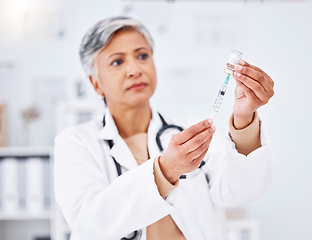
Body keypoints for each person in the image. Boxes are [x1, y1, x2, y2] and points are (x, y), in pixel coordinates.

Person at [54, 16, 275, 240]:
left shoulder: (188, 130)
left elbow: (242, 190)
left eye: (142, 56)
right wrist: (165, 170)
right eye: (117, 62)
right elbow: (88, 224)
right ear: (95, 83)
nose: (134, 69)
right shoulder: (76, 143)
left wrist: (245, 119)